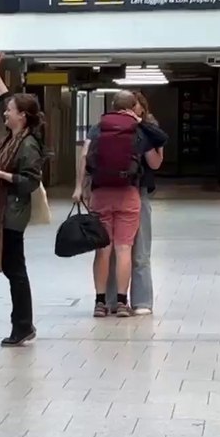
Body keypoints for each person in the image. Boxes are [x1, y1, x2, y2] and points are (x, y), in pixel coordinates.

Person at [0, 52, 45, 347]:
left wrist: (1, 176)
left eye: (10, 111)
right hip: (3, 212)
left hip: (12, 215)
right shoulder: (12, 136)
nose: (5, 113)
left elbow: (30, 181)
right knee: (12, 267)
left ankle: (23, 326)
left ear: (22, 116)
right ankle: (23, 324)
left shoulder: (27, 144)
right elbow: (4, 97)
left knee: (15, 269)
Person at [75, 90, 166, 316]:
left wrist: (80, 187)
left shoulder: (99, 127)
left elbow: (85, 156)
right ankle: (130, 302)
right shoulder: (139, 129)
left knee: (103, 249)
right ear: (133, 106)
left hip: (101, 193)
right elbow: (154, 164)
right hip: (130, 193)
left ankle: (103, 301)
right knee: (129, 249)